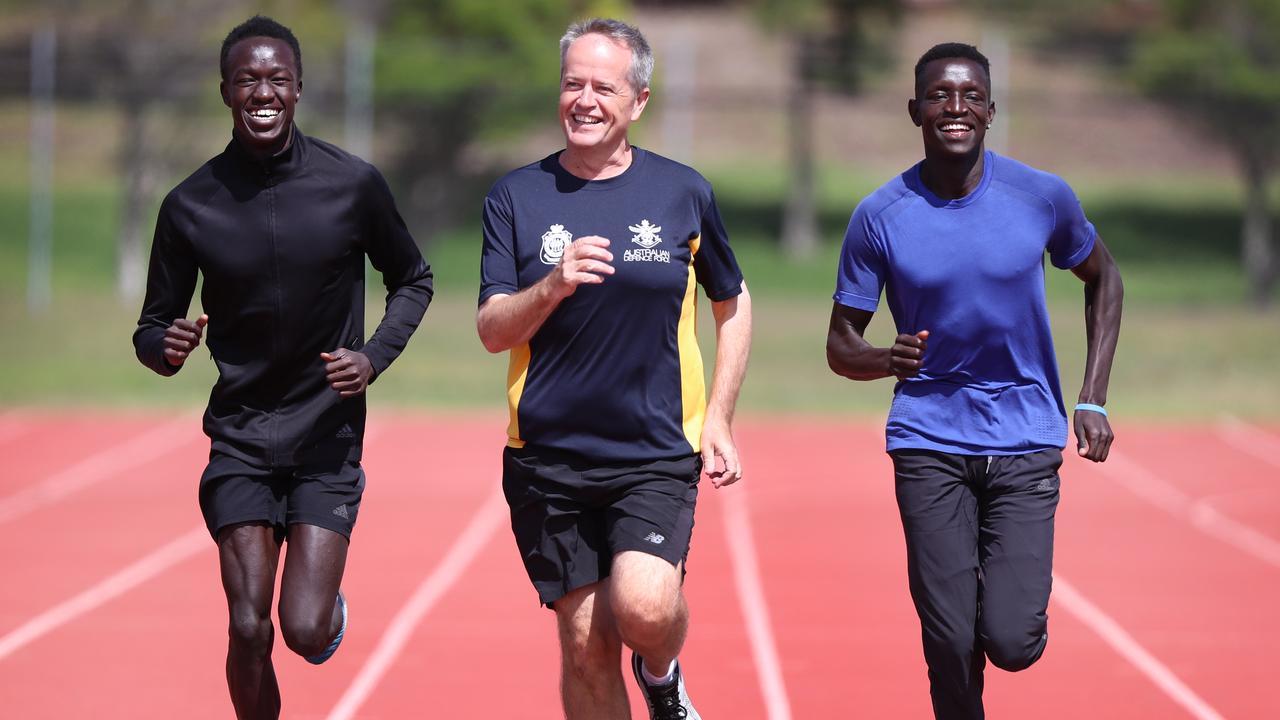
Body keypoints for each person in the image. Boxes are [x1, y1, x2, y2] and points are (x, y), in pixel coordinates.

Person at [133, 15, 432, 719]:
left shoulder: (352, 185)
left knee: (301, 629)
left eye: (275, 78)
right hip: (238, 437)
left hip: (325, 438)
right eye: (247, 80)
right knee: (247, 626)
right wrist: (164, 348)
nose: (261, 91)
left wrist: (372, 357)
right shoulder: (189, 206)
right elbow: (151, 326)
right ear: (225, 92)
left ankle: (327, 612)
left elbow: (413, 278)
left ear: (298, 88)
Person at [826, 42, 1123, 719]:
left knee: (1011, 641)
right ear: (915, 111)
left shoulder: (1042, 197)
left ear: (990, 109)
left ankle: (1004, 600)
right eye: (938, 95)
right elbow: (841, 344)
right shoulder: (880, 215)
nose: (953, 107)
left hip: (1024, 436)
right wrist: (884, 359)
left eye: (967, 96)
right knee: (949, 637)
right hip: (928, 438)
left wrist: (1091, 396)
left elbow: (1104, 278)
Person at [477, 18, 751, 720]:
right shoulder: (515, 198)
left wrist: (718, 415)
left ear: (639, 101)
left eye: (604, 86)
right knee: (582, 645)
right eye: (573, 83)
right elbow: (489, 329)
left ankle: (661, 677)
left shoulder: (683, 192)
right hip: (549, 460)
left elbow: (733, 300)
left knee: (645, 607)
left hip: (654, 452)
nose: (586, 99)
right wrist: (551, 285)